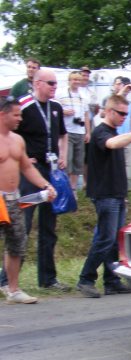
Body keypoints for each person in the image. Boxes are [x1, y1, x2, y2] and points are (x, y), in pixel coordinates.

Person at [77, 93, 131, 298]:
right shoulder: (101, 132)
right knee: (105, 238)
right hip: (105, 194)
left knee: (113, 240)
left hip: (116, 194)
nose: (123, 117)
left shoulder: (113, 132)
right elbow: (111, 144)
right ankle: (86, 278)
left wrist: (123, 194)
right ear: (110, 111)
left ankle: (111, 280)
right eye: (121, 113)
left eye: (126, 114)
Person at [0, 69, 69, 292]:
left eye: (56, 84)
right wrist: (23, 157)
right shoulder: (25, 106)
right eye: (50, 83)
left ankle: (48, 278)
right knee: (22, 224)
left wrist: (63, 155)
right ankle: (7, 280)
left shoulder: (56, 107)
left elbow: (62, 134)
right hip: (30, 169)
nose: (54, 87)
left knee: (49, 226)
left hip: (49, 171)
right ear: (37, 83)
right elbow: (11, 133)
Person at [58, 70, 91, 190]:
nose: (76, 81)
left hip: (80, 131)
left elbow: (86, 115)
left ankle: (73, 189)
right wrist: (64, 112)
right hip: (66, 132)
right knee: (67, 160)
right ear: (69, 81)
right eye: (74, 79)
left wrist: (88, 132)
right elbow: (55, 111)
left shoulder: (84, 96)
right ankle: (65, 188)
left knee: (78, 162)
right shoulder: (61, 94)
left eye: (78, 79)